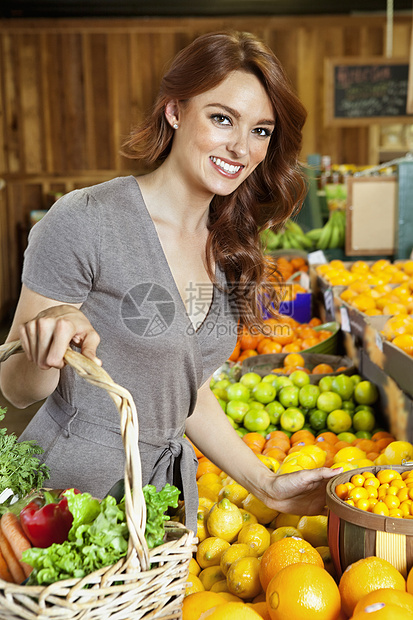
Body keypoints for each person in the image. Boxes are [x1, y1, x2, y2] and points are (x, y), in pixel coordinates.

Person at [0, 31, 339, 532]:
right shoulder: (86, 219)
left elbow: (185, 392)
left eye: (261, 131)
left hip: (159, 507)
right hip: (64, 503)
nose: (241, 147)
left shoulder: (230, 245)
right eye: (221, 118)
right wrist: (49, 334)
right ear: (175, 111)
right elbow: (15, 389)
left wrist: (267, 486)